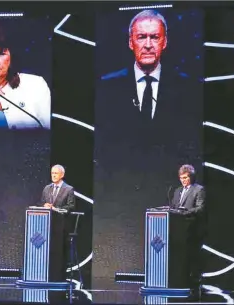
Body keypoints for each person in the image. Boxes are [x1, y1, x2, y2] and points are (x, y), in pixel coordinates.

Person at [97, 9, 198, 138]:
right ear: (130, 43)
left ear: (165, 42)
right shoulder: (107, 86)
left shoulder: (187, 87)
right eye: (141, 37)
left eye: (155, 37)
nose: (148, 45)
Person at [170, 164, 206, 297]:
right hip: (178, 231)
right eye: (181, 178)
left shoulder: (199, 189)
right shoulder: (177, 190)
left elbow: (200, 208)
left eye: (185, 178)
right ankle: (179, 280)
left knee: (192, 257)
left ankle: (194, 285)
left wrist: (185, 213)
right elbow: (173, 208)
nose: (183, 180)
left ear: (191, 177)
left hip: (192, 230)